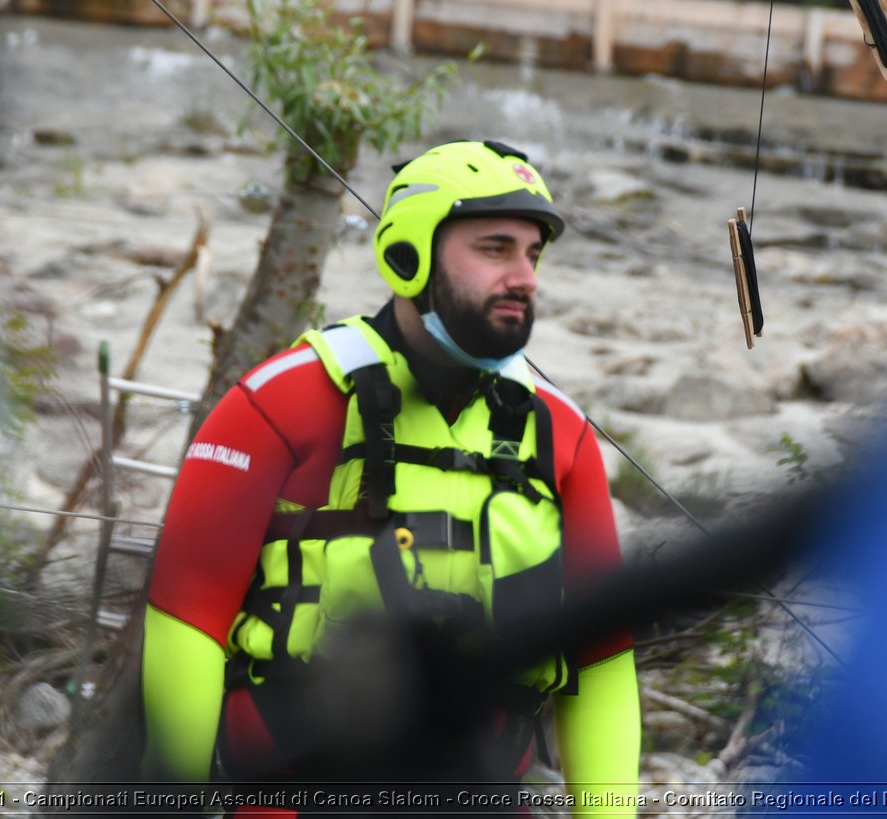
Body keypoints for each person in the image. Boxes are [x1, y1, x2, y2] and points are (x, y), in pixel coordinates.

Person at [141, 139, 640, 810]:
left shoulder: (562, 436)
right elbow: (187, 619)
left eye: (533, 254)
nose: (524, 276)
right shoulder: (280, 404)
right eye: (495, 249)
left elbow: (601, 660)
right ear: (408, 255)